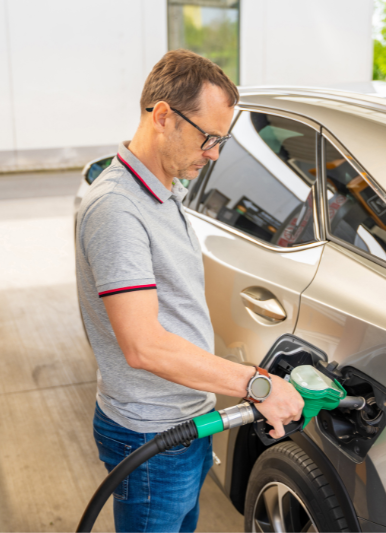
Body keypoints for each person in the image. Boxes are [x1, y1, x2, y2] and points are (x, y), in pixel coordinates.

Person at [75, 49, 304, 533]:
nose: (215, 153)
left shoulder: (163, 191)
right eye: (210, 138)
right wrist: (256, 385)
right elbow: (144, 345)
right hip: (151, 433)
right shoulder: (118, 209)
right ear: (162, 116)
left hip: (187, 421)